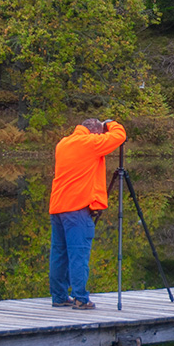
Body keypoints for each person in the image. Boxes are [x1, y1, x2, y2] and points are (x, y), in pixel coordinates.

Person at [49, 118, 126, 309]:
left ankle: (59, 296)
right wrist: (111, 124)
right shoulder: (90, 143)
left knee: (59, 254)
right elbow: (119, 136)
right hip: (77, 208)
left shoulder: (63, 143)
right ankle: (80, 298)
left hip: (58, 207)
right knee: (78, 254)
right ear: (95, 133)